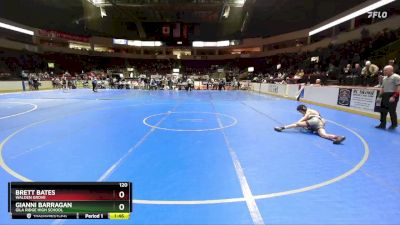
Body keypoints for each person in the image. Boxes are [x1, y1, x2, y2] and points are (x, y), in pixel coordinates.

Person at [274, 105, 346, 144]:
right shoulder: (313, 111)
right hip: (319, 123)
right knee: (323, 135)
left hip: (314, 121)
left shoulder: (308, 111)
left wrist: (298, 122)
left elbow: (306, 117)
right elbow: (322, 120)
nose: (300, 113)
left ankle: (282, 128)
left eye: (300, 112)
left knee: (297, 124)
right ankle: (338, 137)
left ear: (301, 110)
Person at [375, 65, 400, 130]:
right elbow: (382, 88)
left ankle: (394, 124)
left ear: (391, 70)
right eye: (384, 70)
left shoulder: (396, 77)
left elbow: (398, 88)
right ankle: (382, 124)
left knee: (392, 111)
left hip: (392, 94)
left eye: (385, 70)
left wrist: (394, 96)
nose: (384, 71)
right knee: (383, 110)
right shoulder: (384, 78)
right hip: (385, 95)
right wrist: (379, 97)